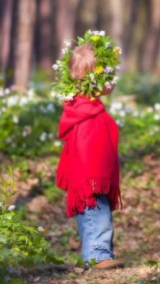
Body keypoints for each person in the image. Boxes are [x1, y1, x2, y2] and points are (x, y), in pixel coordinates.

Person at [56, 41, 124, 270]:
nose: (113, 80)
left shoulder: (87, 107)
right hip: (89, 177)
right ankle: (97, 256)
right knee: (96, 215)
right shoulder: (86, 112)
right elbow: (87, 147)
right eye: (108, 74)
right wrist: (94, 178)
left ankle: (98, 255)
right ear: (93, 79)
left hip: (91, 176)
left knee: (95, 215)